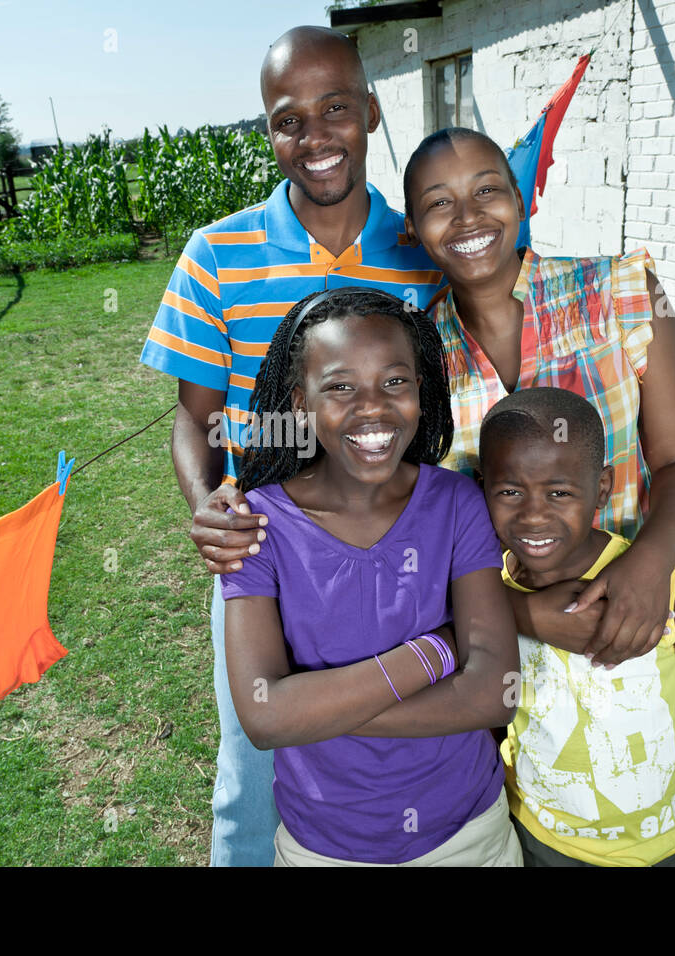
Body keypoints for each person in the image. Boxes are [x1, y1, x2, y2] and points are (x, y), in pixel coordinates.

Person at [139, 27, 443, 866]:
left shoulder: (421, 257)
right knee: (255, 765)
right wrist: (208, 508)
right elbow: (192, 418)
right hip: (269, 557)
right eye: (288, 120)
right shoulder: (217, 255)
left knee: (402, 752)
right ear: (269, 133)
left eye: (336, 107)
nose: (315, 137)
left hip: (403, 553)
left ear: (372, 111)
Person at [222, 287, 520, 866]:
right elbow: (263, 717)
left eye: (394, 381)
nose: (373, 408)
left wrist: (317, 712)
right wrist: (436, 654)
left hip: (467, 837)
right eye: (339, 386)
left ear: (421, 388)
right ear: (299, 402)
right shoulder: (258, 527)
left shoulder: (456, 503)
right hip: (325, 849)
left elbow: (494, 693)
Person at [402, 127, 675, 672]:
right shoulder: (418, 360)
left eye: (486, 191)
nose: (467, 217)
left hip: (632, 621)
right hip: (493, 650)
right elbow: (425, 535)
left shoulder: (621, 295)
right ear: (412, 229)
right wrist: (523, 613)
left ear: (518, 201)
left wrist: (649, 562)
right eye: (438, 203)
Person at [478, 387, 675, 866]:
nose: (533, 514)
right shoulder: (486, 588)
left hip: (666, 848)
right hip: (536, 841)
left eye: (559, 492)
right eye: (509, 491)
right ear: (482, 485)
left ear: (603, 488)